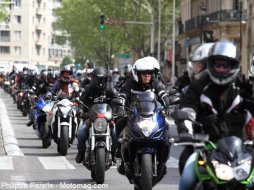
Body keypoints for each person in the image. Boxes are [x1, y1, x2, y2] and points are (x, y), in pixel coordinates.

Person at [174, 40, 254, 190]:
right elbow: (187, 109)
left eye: (226, 65)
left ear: (234, 65)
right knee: (187, 173)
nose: (221, 69)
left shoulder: (244, 86)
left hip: (240, 150)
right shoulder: (198, 86)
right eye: (218, 65)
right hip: (205, 146)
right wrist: (186, 131)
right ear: (211, 64)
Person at [114, 56, 171, 174]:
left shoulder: (156, 84)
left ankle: (163, 159)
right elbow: (123, 95)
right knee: (118, 126)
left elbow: (163, 94)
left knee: (167, 129)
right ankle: (119, 153)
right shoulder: (130, 83)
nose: (147, 75)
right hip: (133, 115)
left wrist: (168, 105)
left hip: (153, 116)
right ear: (137, 74)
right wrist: (120, 106)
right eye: (143, 73)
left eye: (149, 73)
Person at [75, 67, 118, 163]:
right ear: (93, 79)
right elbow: (81, 101)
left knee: (115, 133)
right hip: (91, 118)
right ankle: (81, 152)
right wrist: (80, 111)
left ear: (106, 79)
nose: (100, 81)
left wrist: (119, 110)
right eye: (98, 79)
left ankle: (114, 153)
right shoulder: (88, 89)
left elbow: (117, 99)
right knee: (81, 133)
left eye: (102, 79)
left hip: (107, 119)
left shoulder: (110, 88)